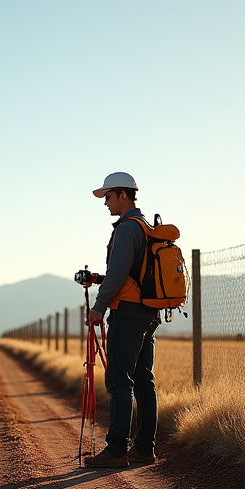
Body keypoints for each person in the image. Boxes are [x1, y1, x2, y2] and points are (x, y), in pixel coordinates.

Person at [84, 171, 161, 468]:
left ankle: (116, 450)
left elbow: (118, 275)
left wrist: (99, 307)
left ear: (123, 195)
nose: (105, 203)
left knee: (119, 381)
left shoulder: (127, 229)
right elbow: (131, 274)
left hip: (127, 312)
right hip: (147, 312)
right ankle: (144, 448)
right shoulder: (145, 227)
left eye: (108, 197)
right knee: (143, 380)